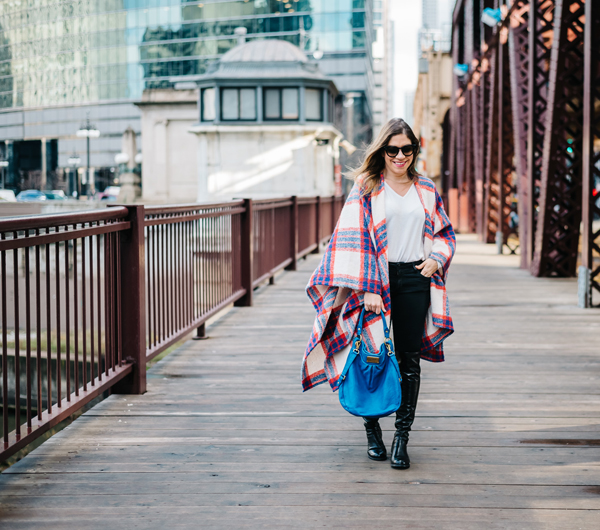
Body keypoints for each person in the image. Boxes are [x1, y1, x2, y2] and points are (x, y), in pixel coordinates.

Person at [302, 118, 456, 469]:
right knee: (368, 356)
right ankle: (372, 431)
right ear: (382, 151)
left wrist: (436, 259)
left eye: (407, 149)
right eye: (392, 149)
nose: (400, 156)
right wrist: (368, 286)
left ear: (415, 150)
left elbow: (445, 234)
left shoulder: (427, 189)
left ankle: (402, 438)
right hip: (375, 280)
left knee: (409, 360)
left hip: (416, 277)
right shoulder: (367, 186)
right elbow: (351, 239)